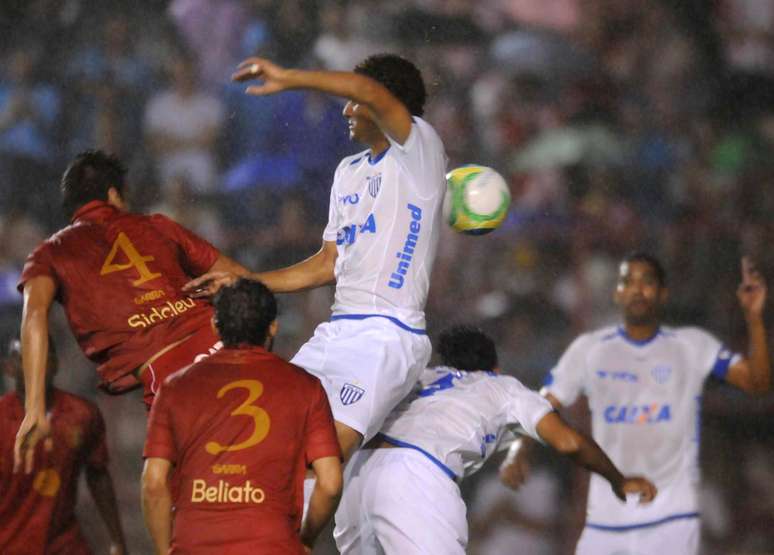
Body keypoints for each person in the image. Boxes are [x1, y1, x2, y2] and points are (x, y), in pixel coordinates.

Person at [188, 53, 448, 463]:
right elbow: (328, 262)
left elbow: (367, 90)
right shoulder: (348, 171)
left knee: (317, 459)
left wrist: (290, 76)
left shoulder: (420, 151)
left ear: (384, 102)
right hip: (336, 331)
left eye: (354, 102)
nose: (346, 109)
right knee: (267, 440)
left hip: (388, 334)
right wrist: (247, 282)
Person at [500, 252, 770, 555]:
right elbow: (543, 406)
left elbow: (757, 383)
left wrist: (755, 319)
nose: (638, 289)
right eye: (629, 281)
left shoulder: (692, 346)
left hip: (670, 522)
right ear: (617, 293)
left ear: (663, 293)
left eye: (648, 282)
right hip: (607, 521)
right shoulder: (589, 350)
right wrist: (518, 451)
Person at [14, 149, 249, 473]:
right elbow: (243, 281)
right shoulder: (156, 224)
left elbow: (34, 315)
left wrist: (35, 407)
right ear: (114, 194)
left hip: (169, 374)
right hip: (226, 344)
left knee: (190, 488)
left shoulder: (48, 253)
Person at [333, 325, 657, 554]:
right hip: (415, 475)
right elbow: (568, 442)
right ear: (496, 367)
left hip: (357, 473)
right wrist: (618, 478)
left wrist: (518, 452)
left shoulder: (421, 377)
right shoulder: (503, 387)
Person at [142, 279, 342, 554]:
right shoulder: (306, 387)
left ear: (215, 326)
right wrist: (305, 538)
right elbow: (330, 483)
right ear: (273, 327)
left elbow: (154, 481)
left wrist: (166, 552)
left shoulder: (175, 387)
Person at [1, 336, 127, 554]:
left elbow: (98, 474)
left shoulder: (82, 415)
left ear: (56, 364)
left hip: (65, 545)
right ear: (9, 367)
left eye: (43, 356)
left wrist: (117, 540)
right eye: (25, 358)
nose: (35, 363)